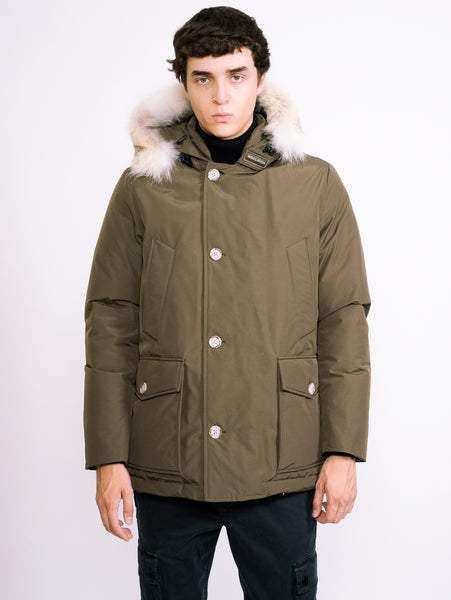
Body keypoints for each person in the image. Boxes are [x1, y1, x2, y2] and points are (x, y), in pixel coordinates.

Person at [83, 6, 371, 599]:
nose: (221, 96)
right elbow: (111, 320)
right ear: (184, 84)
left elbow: (343, 320)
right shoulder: (143, 187)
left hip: (280, 460)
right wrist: (109, 457)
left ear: (259, 78)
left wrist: (343, 450)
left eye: (236, 76)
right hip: (170, 459)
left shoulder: (314, 184)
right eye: (204, 78)